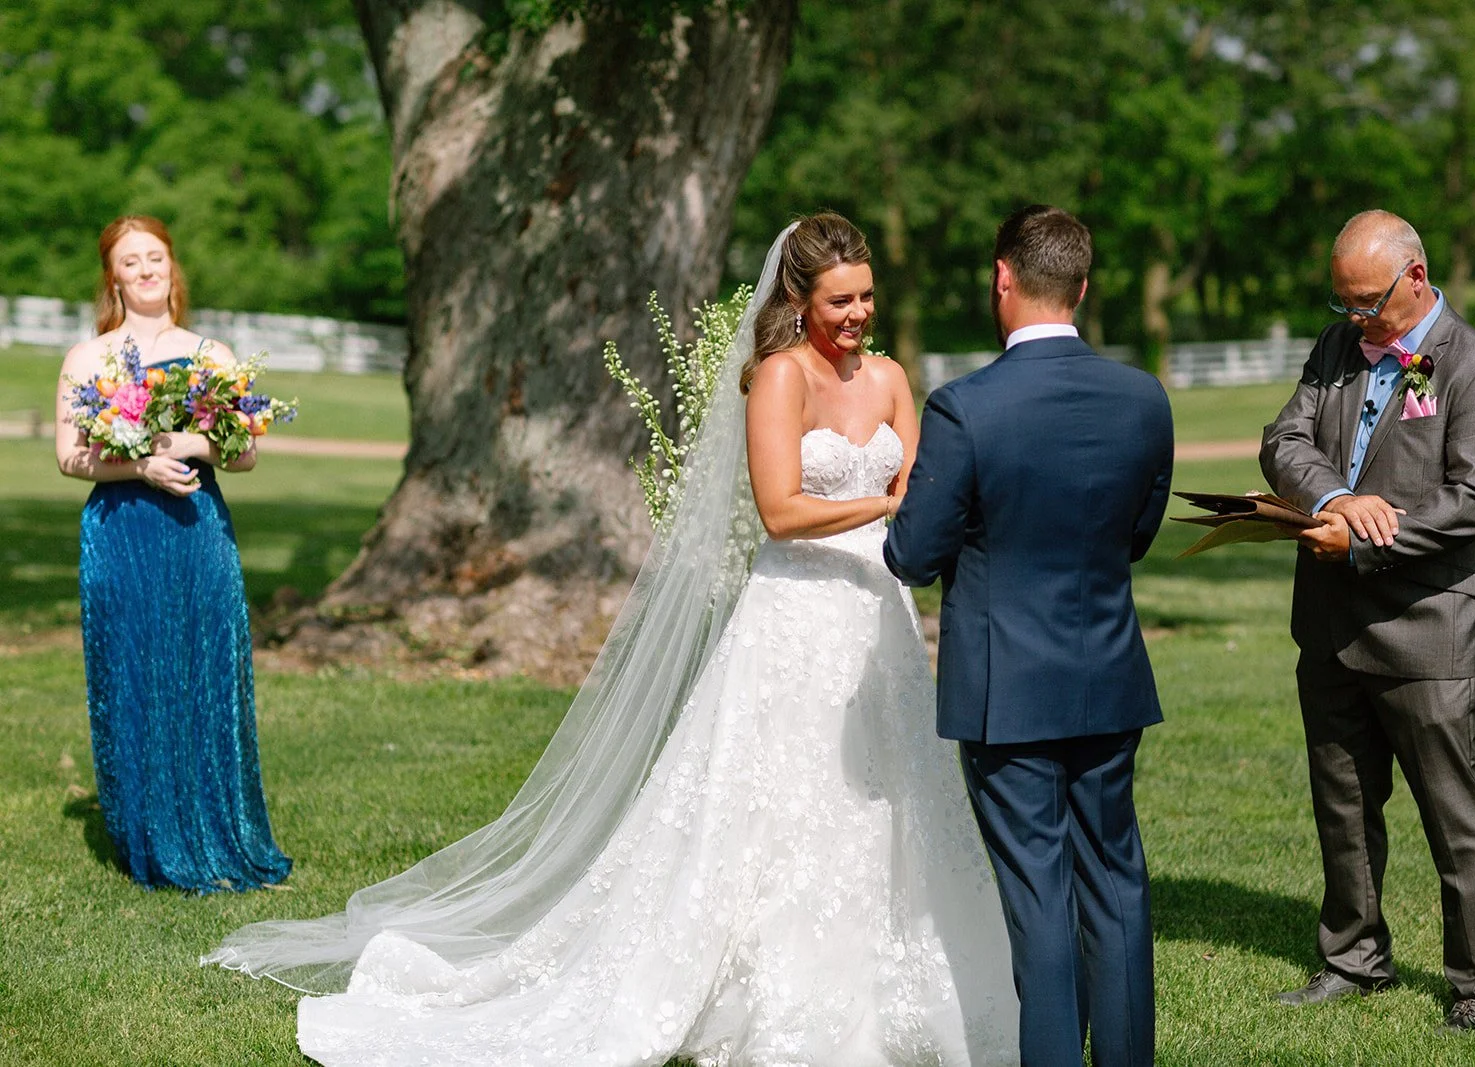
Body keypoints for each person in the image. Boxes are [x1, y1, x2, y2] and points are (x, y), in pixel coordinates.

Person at [205, 213, 1021, 1065]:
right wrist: (885, 505)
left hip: (879, 611)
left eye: (866, 297)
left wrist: (923, 514)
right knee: (785, 794)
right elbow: (782, 512)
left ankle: (895, 984)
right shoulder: (780, 377)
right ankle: (768, 987)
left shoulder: (889, 378)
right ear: (799, 298)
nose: (857, 315)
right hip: (798, 613)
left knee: (890, 797)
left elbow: (923, 486)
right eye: (840, 301)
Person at [885, 204, 1174, 1067]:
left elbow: (911, 553)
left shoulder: (965, 407)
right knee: (1116, 881)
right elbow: (1137, 534)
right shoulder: (1143, 398)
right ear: (1081, 288)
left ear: (1002, 278)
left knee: (1040, 898)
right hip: (1108, 673)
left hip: (1004, 687)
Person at [1260, 210, 1475, 1033]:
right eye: (1342, 302)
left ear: (1416, 277)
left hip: (1430, 628)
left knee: (1456, 815)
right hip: (1331, 625)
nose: (1354, 319)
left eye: (1367, 302)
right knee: (1342, 805)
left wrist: (1366, 537)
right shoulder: (1337, 347)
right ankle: (1353, 959)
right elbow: (1284, 440)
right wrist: (1335, 497)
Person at [55, 215, 291, 893]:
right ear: (113, 277)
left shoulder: (211, 354)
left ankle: (220, 832)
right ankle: (148, 838)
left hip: (196, 528)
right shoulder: (88, 359)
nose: (146, 270)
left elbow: (245, 453)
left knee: (205, 667)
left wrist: (190, 444)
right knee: (133, 671)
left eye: (155, 257)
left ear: (171, 265)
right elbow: (70, 457)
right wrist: (139, 467)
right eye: (130, 261)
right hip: (121, 532)